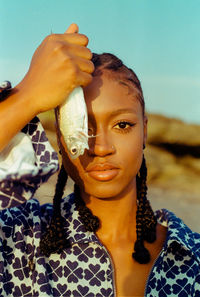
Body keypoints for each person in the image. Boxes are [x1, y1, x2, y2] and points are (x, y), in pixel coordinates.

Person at [0, 24, 200, 297]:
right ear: (59, 137)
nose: (100, 148)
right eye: (81, 127)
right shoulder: (18, 240)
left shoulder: (192, 256)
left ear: (145, 130)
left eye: (122, 125)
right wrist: (28, 95)